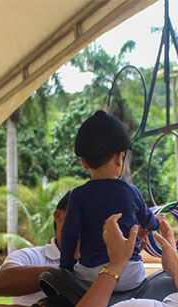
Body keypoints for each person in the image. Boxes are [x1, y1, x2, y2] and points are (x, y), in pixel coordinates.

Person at [59, 110, 159, 292]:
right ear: (119, 158)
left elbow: (69, 234)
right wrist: (156, 221)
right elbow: (148, 221)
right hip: (130, 273)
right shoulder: (131, 191)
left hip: (91, 276)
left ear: (83, 162)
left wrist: (65, 267)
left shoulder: (78, 195)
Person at [0, 191, 70, 306]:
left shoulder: (103, 265)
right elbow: (0, 284)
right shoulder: (29, 256)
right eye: (81, 212)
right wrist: (68, 272)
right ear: (59, 216)